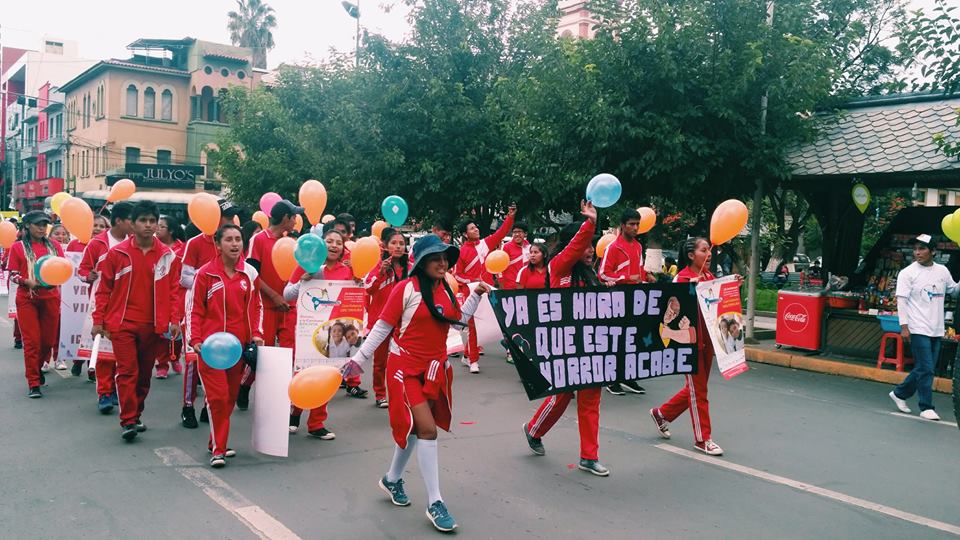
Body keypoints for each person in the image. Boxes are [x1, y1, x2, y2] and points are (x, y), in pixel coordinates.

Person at [346, 233, 490, 533]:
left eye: (445, 258)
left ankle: (391, 478)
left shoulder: (446, 289)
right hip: (405, 368)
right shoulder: (405, 289)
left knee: (414, 429)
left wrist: (475, 294)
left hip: (434, 368)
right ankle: (435, 501)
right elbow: (381, 329)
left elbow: (458, 319)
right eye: (436, 258)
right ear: (422, 261)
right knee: (426, 428)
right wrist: (358, 361)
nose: (442, 262)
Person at [520, 202, 609, 476]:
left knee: (591, 399)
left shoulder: (593, 276)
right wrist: (590, 224)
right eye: (586, 245)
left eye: (593, 246)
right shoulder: (558, 267)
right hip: (564, 345)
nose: (590, 250)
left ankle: (589, 457)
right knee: (562, 396)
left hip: (591, 346)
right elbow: (574, 247)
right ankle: (534, 429)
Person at [91, 201, 182, 441]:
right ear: (133, 223)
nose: (149, 225)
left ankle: (136, 413)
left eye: (153, 221)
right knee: (127, 372)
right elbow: (103, 289)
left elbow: (174, 291)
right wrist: (98, 320)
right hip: (121, 324)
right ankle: (128, 420)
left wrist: (174, 320)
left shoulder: (167, 255)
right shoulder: (117, 253)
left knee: (143, 376)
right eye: (143, 220)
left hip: (153, 326)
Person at [187, 224, 264, 467]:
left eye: (238, 239)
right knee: (218, 398)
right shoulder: (205, 273)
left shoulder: (249, 274)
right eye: (228, 239)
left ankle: (215, 441)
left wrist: (257, 334)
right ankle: (219, 449)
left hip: (238, 349)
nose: (234, 244)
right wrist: (196, 340)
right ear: (218, 245)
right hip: (210, 349)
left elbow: (256, 307)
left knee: (229, 397)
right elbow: (194, 309)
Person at [650, 237, 724, 456]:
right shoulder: (681, 279)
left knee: (696, 388)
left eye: (709, 250)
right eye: (704, 250)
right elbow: (672, 311)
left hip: (708, 340)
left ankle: (661, 414)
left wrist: (730, 286)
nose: (709, 254)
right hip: (689, 343)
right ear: (691, 255)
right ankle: (703, 439)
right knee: (699, 391)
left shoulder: (709, 276)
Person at [180, 200, 249, 425]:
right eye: (226, 217)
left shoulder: (236, 244)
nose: (231, 222)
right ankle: (188, 406)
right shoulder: (194, 243)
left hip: (227, 316)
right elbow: (184, 278)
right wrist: (208, 278)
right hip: (198, 310)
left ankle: (210, 408)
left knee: (225, 366)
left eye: (232, 217)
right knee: (193, 361)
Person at [284, 228, 356, 438]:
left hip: (333, 330)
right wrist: (303, 281)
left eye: (338, 242)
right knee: (303, 371)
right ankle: (295, 412)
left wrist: (358, 284)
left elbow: (355, 298)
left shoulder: (348, 271)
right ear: (322, 245)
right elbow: (287, 294)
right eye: (329, 241)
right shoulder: (307, 265)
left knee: (327, 374)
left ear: (343, 248)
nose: (334, 245)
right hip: (308, 330)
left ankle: (316, 423)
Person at [888, 234, 957, 421]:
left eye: (922, 249)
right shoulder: (907, 273)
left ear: (933, 251)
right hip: (917, 327)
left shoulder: (942, 271)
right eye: (915, 249)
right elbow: (901, 302)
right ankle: (926, 407)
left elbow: (954, 290)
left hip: (936, 327)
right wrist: (904, 327)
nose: (917, 252)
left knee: (924, 368)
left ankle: (899, 393)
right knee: (926, 368)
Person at [79, 201, 134, 412]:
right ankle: (104, 393)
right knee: (103, 351)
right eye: (132, 219)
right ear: (119, 221)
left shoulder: (135, 242)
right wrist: (88, 275)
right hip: (102, 301)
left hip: (128, 303)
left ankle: (118, 391)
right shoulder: (97, 243)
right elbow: (82, 270)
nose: (135, 224)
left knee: (124, 352)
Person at [7, 211, 65, 398]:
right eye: (38, 224)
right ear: (27, 226)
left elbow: (62, 268)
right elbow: (13, 274)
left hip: (51, 297)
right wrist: (26, 281)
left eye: (45, 224)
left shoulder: (55, 246)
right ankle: (33, 382)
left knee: (47, 341)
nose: (42, 228)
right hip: (27, 299)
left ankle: (38, 367)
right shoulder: (18, 248)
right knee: (32, 342)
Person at [454, 204, 516, 373]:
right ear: (465, 234)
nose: (476, 230)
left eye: (476, 227)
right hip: (472, 291)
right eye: (472, 228)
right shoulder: (461, 252)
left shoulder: (485, 244)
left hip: (488, 290)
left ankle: (467, 355)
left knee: (489, 323)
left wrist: (510, 217)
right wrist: (471, 280)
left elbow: (501, 233)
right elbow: (457, 275)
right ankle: (474, 360)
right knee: (474, 326)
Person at [598, 209, 647, 396]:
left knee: (631, 339)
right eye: (631, 224)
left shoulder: (638, 246)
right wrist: (626, 278)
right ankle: (611, 379)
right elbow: (603, 274)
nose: (635, 228)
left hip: (635, 300)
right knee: (615, 339)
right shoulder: (613, 247)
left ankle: (627, 376)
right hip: (616, 299)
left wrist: (646, 277)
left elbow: (640, 272)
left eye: (637, 224)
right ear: (623, 225)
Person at [363, 227, 411, 408]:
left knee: (403, 359)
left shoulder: (409, 268)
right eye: (394, 243)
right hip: (381, 321)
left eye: (401, 244)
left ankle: (402, 392)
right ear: (384, 246)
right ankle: (380, 393)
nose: (398, 247)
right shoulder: (377, 266)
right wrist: (380, 272)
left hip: (402, 322)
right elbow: (368, 288)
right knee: (380, 361)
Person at [155, 214, 187, 380]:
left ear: (172, 230)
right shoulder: (154, 247)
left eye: (161, 226)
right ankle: (162, 364)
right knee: (160, 330)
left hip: (179, 294)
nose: (157, 229)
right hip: (159, 294)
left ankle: (174, 356)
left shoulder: (184, 248)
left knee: (177, 328)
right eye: (157, 225)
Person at [501, 222, 530, 290]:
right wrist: (502, 285)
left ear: (525, 234)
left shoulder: (529, 247)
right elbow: (499, 269)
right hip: (510, 287)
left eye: (519, 232)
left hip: (526, 286)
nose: (517, 234)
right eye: (514, 232)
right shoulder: (506, 247)